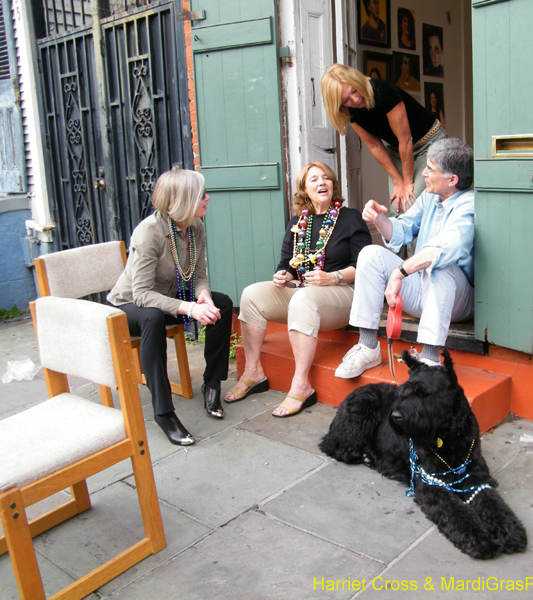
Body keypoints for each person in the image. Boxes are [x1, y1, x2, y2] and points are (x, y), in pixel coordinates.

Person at [228, 162, 372, 417]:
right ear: (304, 189)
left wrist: (332, 277)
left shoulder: (350, 217)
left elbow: (365, 267)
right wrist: (284, 275)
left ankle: (301, 384)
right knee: (251, 294)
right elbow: (287, 265)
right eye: (314, 179)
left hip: (344, 291)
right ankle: (253, 372)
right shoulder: (298, 222)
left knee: (303, 299)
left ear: (333, 184)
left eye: (326, 177)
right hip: (305, 293)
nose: (322, 182)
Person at [108, 169, 233, 446]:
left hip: (171, 294)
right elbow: (140, 294)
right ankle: (163, 412)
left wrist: (203, 297)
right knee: (151, 318)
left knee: (222, 303)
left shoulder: (195, 227)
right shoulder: (148, 233)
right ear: (184, 199)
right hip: (130, 306)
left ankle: (212, 384)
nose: (208, 198)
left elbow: (199, 274)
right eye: (202, 195)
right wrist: (189, 309)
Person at [334, 138, 474, 378]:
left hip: (455, 302)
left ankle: (430, 360)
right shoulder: (431, 196)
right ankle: (367, 346)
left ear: (452, 180)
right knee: (369, 253)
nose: (425, 174)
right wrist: (380, 220)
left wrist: (400, 272)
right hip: (421, 291)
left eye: (431, 169)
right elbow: (404, 228)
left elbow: (443, 249)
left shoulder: (470, 204)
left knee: (438, 264)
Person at [322, 63, 445, 218]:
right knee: (397, 208)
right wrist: (398, 181)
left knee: (411, 204)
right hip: (399, 151)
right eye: (346, 99)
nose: (355, 99)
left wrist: (407, 183)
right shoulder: (350, 112)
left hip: (429, 143)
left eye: (354, 90)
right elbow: (374, 146)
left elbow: (405, 139)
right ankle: (398, 243)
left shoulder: (383, 91)